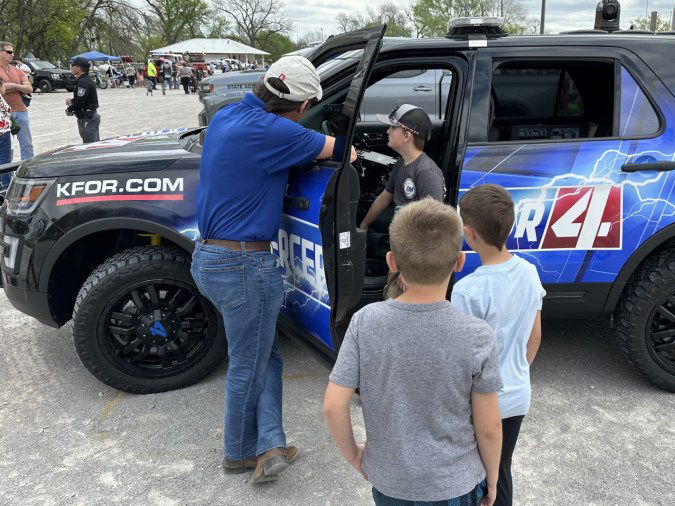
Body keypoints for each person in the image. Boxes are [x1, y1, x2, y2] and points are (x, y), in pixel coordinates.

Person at [191, 55, 353, 485]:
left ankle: (271, 444)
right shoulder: (277, 130)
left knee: (265, 356)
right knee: (249, 362)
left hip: (208, 259)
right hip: (243, 264)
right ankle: (241, 453)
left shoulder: (227, 116)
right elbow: (347, 150)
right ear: (301, 106)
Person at [324, 198, 504, 506]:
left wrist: (355, 456)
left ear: (392, 262)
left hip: (390, 484)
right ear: (459, 262)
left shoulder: (365, 323)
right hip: (455, 485)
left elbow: (332, 407)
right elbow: (489, 427)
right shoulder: (477, 336)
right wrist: (493, 479)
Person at [450, 184, 545, 506]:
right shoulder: (530, 272)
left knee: (478, 480)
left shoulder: (467, 290)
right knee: (501, 471)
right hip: (518, 394)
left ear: (468, 233)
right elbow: (535, 338)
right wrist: (517, 371)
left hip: (482, 403)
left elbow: (462, 361)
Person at [358, 104, 445, 298]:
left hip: (414, 259)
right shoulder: (401, 165)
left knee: (402, 301)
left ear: (407, 136)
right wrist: (363, 226)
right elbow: (384, 198)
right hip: (399, 251)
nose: (388, 131)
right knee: (392, 295)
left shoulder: (426, 173)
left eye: (393, 127)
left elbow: (436, 224)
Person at [0, 41, 34, 161]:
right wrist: (19, 86)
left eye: (13, 52)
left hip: (20, 110)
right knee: (5, 148)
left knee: (27, 144)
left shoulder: (18, 70)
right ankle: (5, 175)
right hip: (2, 115)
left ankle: (29, 171)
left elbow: (29, 88)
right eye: (9, 52)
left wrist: (12, 86)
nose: (12, 54)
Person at [65, 57, 100, 143]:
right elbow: (85, 98)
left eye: (72, 65)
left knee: (90, 148)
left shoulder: (83, 82)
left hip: (87, 118)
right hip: (89, 117)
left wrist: (69, 109)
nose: (71, 67)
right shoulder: (85, 80)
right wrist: (73, 100)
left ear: (79, 68)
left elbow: (80, 102)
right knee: (94, 145)